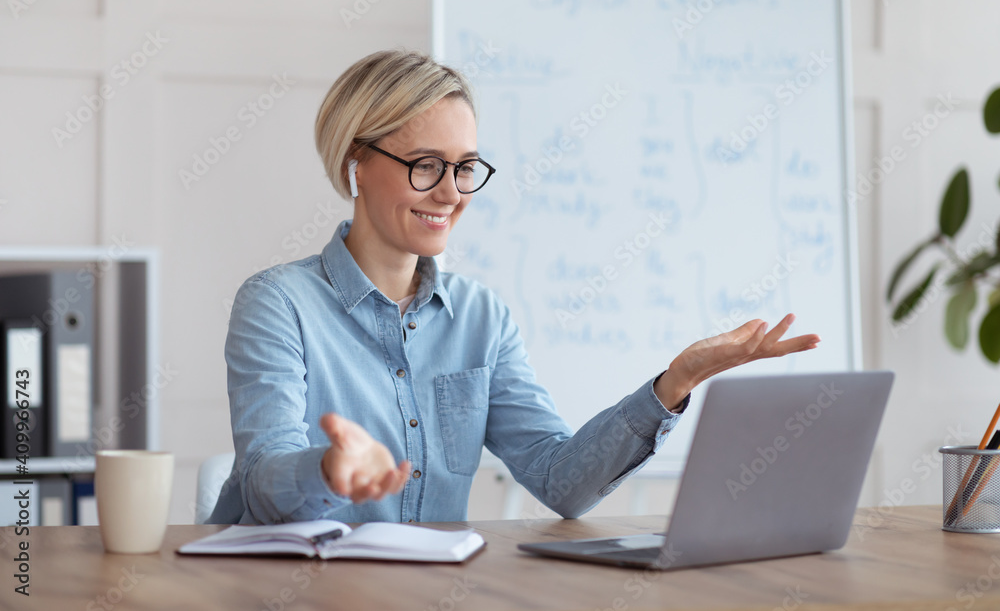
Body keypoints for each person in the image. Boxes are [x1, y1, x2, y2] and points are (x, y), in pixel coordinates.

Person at [207, 49, 820, 525]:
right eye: (425, 165)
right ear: (356, 165)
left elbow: (561, 481)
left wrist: (675, 381)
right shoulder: (278, 304)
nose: (451, 193)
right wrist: (330, 471)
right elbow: (264, 481)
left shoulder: (481, 318)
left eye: (466, 167)